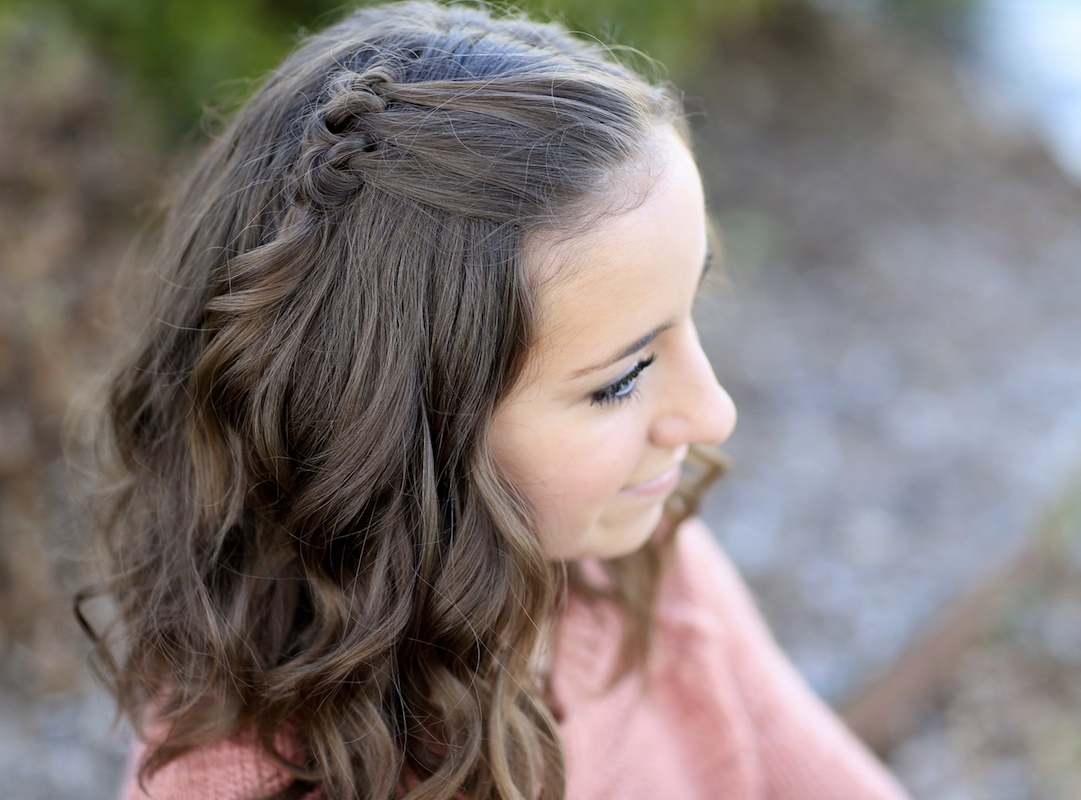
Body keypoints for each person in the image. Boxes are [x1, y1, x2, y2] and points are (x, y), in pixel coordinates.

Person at [80, 2, 911, 798]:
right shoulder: (246, 778)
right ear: (392, 445)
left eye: (691, 312)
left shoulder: (637, 565)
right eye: (620, 379)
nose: (714, 413)